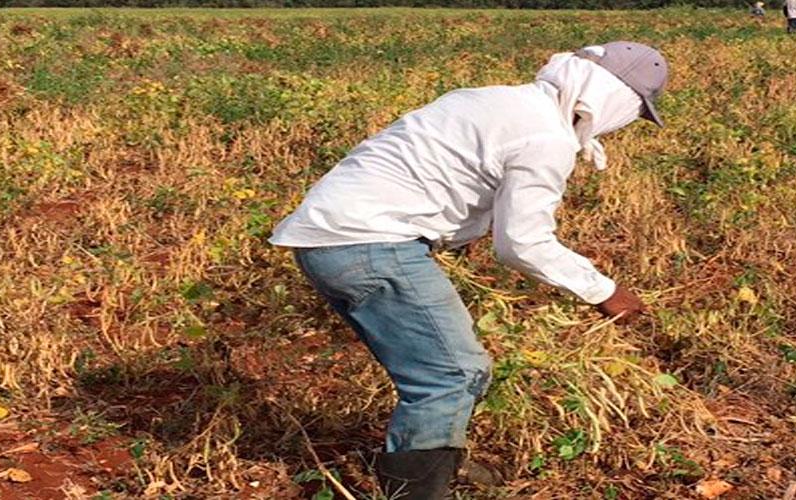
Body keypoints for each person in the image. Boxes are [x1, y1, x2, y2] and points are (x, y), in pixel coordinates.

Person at [269, 41, 667, 499]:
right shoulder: (545, 137)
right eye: (631, 112)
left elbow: (445, 173)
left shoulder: (491, 98)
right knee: (453, 373)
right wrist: (604, 291)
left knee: (440, 367)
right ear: (613, 98)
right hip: (369, 243)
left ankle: (434, 464)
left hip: (328, 236)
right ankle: (416, 491)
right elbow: (523, 244)